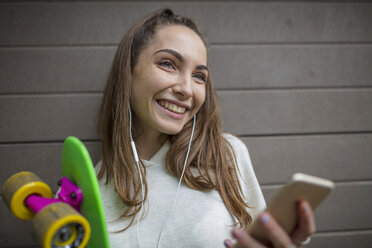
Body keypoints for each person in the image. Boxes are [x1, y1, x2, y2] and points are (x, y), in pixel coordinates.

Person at [96, 8, 315, 248]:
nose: (187, 89)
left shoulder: (225, 154)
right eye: (168, 64)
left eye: (199, 76)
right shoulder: (91, 184)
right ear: (128, 72)